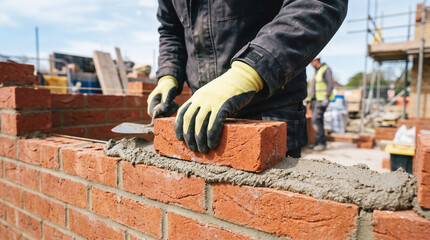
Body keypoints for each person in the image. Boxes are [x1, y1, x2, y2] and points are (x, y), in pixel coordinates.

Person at [147, 0, 348, 158]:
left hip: (269, 110)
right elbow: (171, 29)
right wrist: (168, 75)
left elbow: (316, 4)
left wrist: (248, 73)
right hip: (204, 112)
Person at [308, 56, 335, 151]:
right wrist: (309, 98)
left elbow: (330, 84)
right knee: (316, 121)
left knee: (316, 120)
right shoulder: (316, 72)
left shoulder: (325, 70)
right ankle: (318, 142)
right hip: (315, 100)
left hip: (321, 100)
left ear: (316, 60)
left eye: (311, 62)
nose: (310, 64)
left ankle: (321, 143)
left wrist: (326, 98)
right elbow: (313, 87)